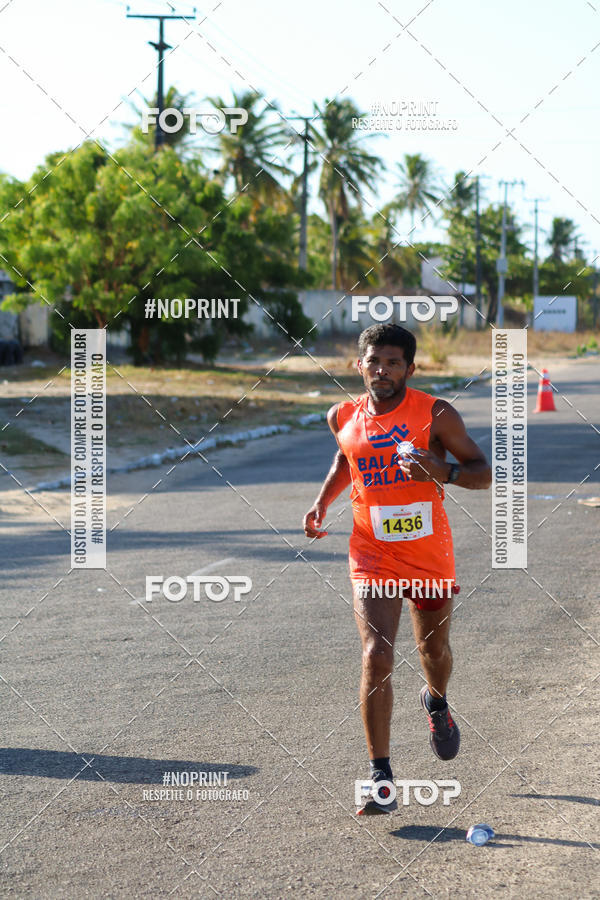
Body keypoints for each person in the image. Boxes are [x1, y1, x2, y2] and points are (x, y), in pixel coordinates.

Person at [303, 324, 491, 814]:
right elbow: (346, 459)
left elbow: (484, 471)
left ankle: (436, 700)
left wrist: (443, 471)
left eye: (392, 362)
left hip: (428, 553)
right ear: (358, 366)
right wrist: (322, 503)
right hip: (371, 553)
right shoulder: (341, 414)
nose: (382, 370)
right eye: (374, 362)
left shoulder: (435, 414)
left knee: (434, 649)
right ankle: (380, 778)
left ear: (411, 368)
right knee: (376, 656)